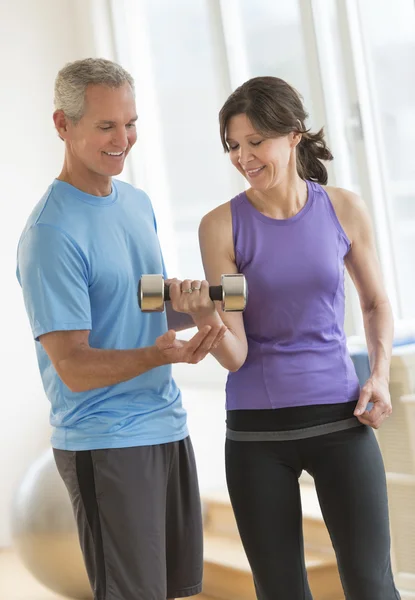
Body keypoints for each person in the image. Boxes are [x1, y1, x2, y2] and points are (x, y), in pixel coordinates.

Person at [170, 76, 400, 599]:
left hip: (342, 419)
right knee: (280, 591)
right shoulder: (219, 227)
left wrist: (380, 377)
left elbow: (375, 303)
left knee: (371, 584)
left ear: (293, 135)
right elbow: (236, 353)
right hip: (257, 436)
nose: (243, 157)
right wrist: (205, 315)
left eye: (255, 142)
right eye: (233, 145)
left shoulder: (343, 208)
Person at [16, 57, 227, 600]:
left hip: (166, 426)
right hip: (107, 440)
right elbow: (74, 366)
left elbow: (143, 311)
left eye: (130, 123)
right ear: (63, 125)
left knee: (177, 592)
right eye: (106, 126)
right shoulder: (50, 234)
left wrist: (198, 305)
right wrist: (161, 356)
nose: (123, 139)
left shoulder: (137, 204)